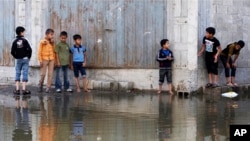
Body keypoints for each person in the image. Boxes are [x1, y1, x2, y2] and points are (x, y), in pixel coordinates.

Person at [11, 26, 32, 95]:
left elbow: (12, 51)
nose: (24, 33)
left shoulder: (15, 41)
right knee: (25, 73)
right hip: (25, 59)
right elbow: (30, 49)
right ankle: (24, 90)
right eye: (23, 32)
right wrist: (28, 57)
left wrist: (16, 56)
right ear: (21, 32)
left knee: (17, 72)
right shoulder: (25, 41)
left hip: (18, 59)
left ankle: (17, 90)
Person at [38, 28, 55, 93]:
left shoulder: (52, 42)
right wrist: (40, 60)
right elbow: (39, 52)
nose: (52, 36)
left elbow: (54, 51)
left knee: (50, 74)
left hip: (51, 59)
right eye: (51, 34)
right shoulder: (42, 42)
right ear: (47, 34)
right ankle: (40, 84)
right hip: (44, 59)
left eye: (52, 34)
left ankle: (48, 87)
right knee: (43, 74)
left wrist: (53, 44)